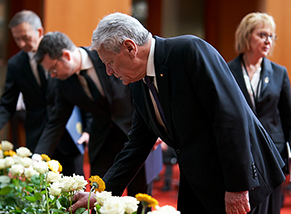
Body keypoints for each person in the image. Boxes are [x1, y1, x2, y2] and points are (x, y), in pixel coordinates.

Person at [69, 12, 286, 214]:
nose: (108, 71)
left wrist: (238, 186)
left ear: (129, 48)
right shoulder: (138, 82)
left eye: (110, 62)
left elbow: (230, 118)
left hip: (241, 180)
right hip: (198, 179)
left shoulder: (190, 51)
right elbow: (136, 144)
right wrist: (100, 193)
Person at [34, 31, 160, 206]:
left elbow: (142, 89)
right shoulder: (62, 83)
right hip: (102, 143)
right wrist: (38, 158)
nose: (53, 75)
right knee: (98, 199)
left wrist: (155, 127)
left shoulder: (106, 56)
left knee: (140, 201)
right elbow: (56, 122)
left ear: (66, 55)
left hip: (137, 136)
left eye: (53, 69)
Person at [0, 10, 83, 176]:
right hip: (37, 135)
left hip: (68, 135)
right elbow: (8, 102)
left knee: (74, 189)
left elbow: (81, 94)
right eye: (16, 38)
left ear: (39, 32)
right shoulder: (16, 64)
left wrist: (88, 128)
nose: (21, 43)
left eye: (25, 37)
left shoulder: (62, 55)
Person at [228, 12, 291, 214]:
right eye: (262, 34)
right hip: (242, 154)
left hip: (273, 155)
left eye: (271, 36)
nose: (268, 41)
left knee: (272, 209)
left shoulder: (279, 73)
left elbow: (288, 117)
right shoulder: (228, 71)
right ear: (247, 35)